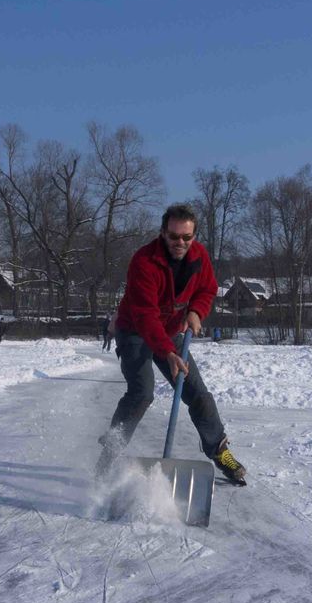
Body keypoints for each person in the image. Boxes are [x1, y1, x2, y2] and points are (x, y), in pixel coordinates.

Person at [95, 203, 247, 485]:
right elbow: (145, 316)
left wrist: (196, 311)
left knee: (197, 392)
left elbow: (207, 288)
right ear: (163, 233)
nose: (180, 243)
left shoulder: (199, 257)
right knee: (141, 392)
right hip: (135, 330)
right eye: (174, 236)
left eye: (186, 237)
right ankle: (110, 450)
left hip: (172, 330)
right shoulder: (144, 262)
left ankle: (219, 450)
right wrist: (166, 352)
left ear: (194, 236)